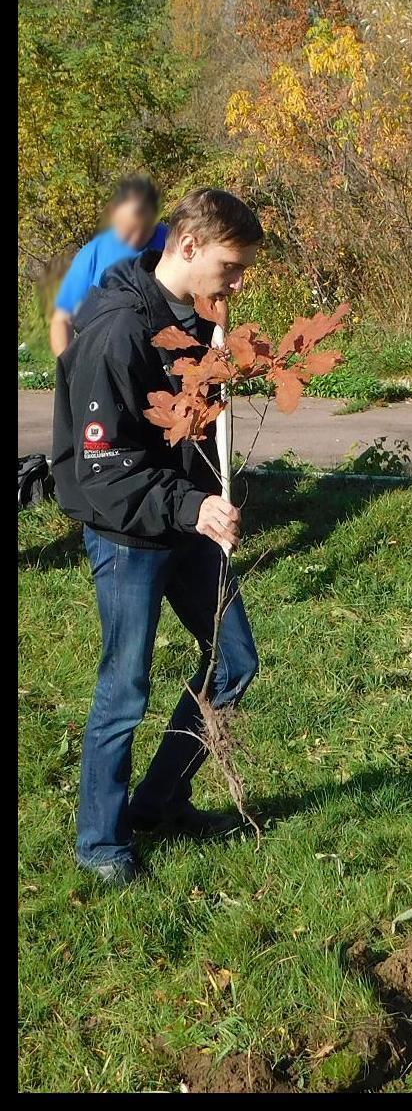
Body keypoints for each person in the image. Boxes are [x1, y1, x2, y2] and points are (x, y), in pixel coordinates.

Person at [50, 187, 265, 887]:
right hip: (128, 533)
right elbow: (103, 467)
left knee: (232, 661)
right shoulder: (115, 330)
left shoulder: (193, 315)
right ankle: (100, 842)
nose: (237, 284)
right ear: (190, 245)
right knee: (125, 688)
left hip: (186, 518)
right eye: (231, 267)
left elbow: (184, 420)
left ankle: (160, 798)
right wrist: (191, 504)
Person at [48, 175, 170, 358]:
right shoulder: (92, 254)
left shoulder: (173, 244)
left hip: (167, 355)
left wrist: (218, 330)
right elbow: (62, 318)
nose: (135, 238)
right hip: (106, 356)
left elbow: (210, 291)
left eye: (143, 228)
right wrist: (68, 368)